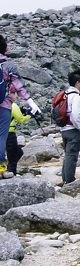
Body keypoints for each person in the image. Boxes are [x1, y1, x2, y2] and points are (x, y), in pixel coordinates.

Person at [0, 35, 41, 175]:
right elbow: (19, 86)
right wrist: (30, 102)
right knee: (2, 138)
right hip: (4, 105)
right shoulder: (8, 65)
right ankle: (1, 169)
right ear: (5, 47)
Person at [60, 70, 80, 184]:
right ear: (78, 83)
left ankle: (65, 178)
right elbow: (75, 115)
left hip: (64, 128)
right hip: (73, 129)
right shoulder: (76, 97)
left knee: (67, 154)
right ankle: (70, 180)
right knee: (72, 155)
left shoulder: (65, 95)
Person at [6, 91, 31, 175]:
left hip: (3, 133)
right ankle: (11, 174)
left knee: (18, 152)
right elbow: (21, 119)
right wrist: (29, 115)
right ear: (11, 94)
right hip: (10, 133)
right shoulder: (13, 105)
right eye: (16, 94)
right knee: (13, 156)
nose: (17, 96)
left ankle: (8, 168)